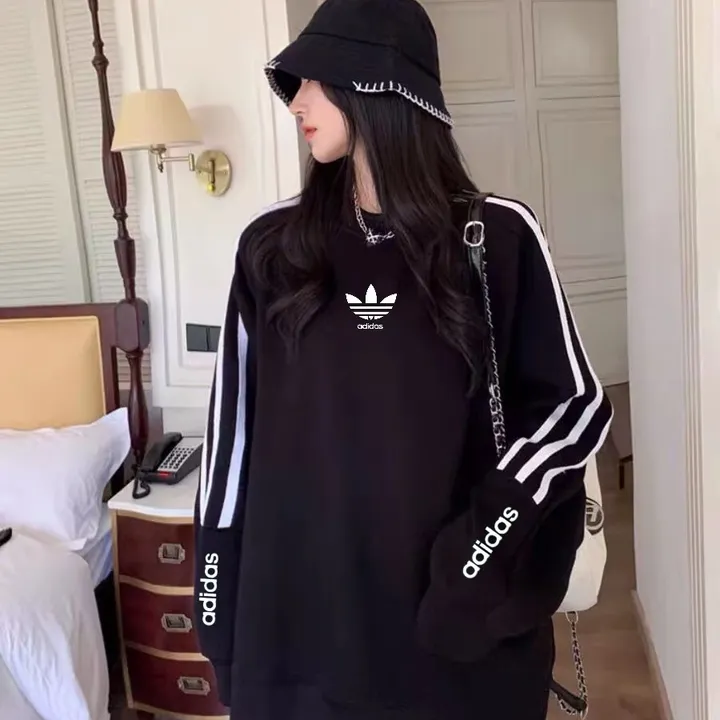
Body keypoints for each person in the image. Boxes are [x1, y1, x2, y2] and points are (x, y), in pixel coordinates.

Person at [192, 0, 614, 718]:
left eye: (315, 79)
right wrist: (216, 595)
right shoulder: (272, 248)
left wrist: (476, 555)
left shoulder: (495, 238)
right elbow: (231, 438)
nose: (297, 102)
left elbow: (574, 409)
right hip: (297, 632)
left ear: (377, 81)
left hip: (451, 635)